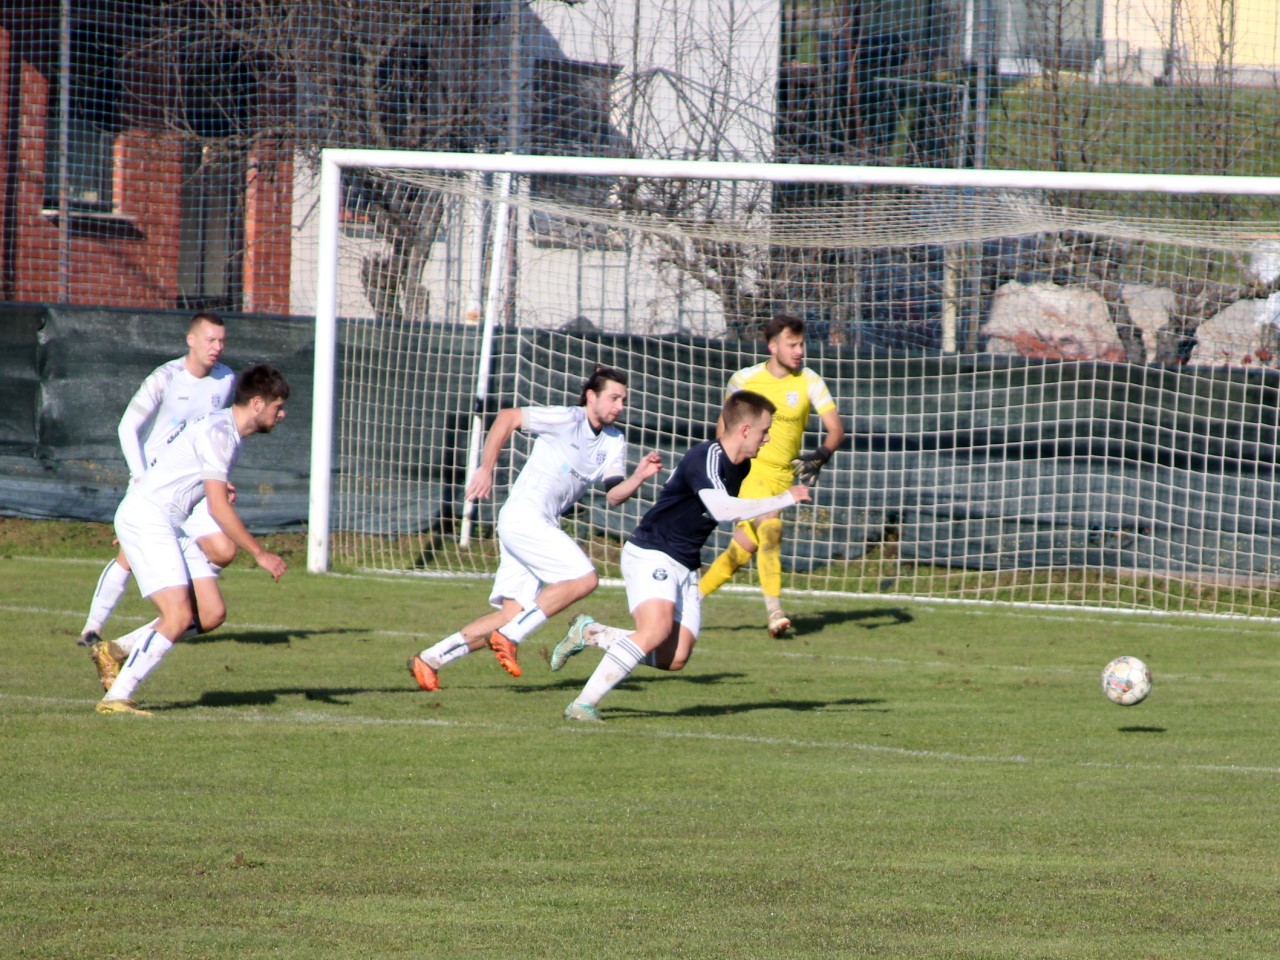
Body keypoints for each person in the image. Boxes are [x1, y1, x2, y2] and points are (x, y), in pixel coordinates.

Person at [551, 390, 811, 723]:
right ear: (746, 430)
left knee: (674, 658)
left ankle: (591, 633)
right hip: (653, 551)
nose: (768, 438)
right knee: (654, 631)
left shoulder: (742, 466)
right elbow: (721, 509)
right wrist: (784, 498)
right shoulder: (706, 456)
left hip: (685, 564)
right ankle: (582, 705)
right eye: (764, 431)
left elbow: (730, 507)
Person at [406, 366, 663, 693]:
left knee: (511, 614)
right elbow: (508, 417)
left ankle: (430, 658)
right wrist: (486, 468)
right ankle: (511, 636)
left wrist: (639, 476)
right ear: (591, 396)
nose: (620, 406)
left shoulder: (614, 440)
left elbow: (614, 495)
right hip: (525, 516)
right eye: (613, 398)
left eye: (623, 400)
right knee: (585, 579)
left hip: (534, 523)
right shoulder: (567, 418)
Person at [89, 364, 291, 716]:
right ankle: (116, 698)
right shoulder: (220, 431)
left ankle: (115, 650)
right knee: (178, 614)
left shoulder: (227, 431)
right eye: (278, 406)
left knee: (210, 614)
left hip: (170, 523)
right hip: (150, 518)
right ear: (258, 403)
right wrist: (260, 553)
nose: (282, 414)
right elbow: (217, 507)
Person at [78, 311, 238, 648]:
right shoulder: (166, 377)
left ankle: (180, 613)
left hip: (192, 486)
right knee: (129, 557)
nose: (217, 347)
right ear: (191, 340)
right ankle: (92, 629)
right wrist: (140, 476)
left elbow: (215, 436)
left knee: (223, 550)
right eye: (210, 339)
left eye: (222, 341)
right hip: (153, 484)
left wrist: (219, 479)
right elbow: (127, 427)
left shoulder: (225, 380)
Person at [697, 313, 845, 638]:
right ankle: (775, 612)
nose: (799, 351)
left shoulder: (809, 380)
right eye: (792, 345)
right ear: (773, 346)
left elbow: (836, 430)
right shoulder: (744, 379)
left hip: (782, 477)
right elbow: (723, 427)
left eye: (801, 344)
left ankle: (690, 599)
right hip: (748, 472)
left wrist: (821, 455)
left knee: (742, 549)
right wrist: (722, 468)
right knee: (771, 526)